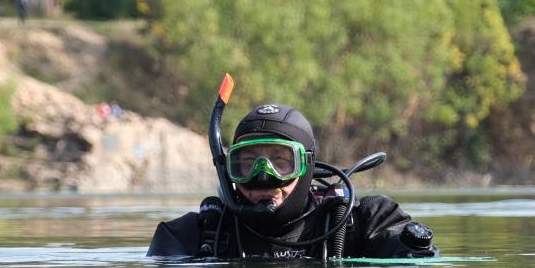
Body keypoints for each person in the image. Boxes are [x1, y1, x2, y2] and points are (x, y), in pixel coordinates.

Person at [148, 102, 438, 259]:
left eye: (280, 160)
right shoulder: (191, 235)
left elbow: (414, 262)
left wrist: (412, 248)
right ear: (228, 169)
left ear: (307, 166)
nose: (263, 175)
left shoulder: (363, 224)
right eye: (247, 162)